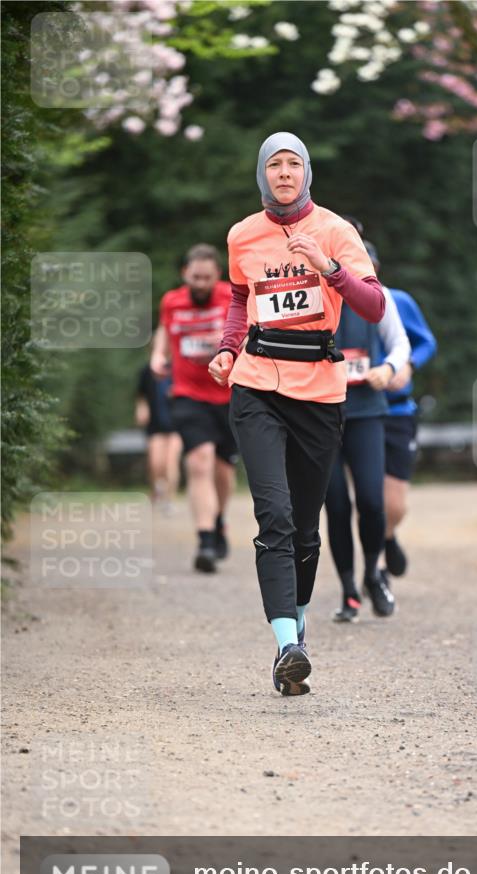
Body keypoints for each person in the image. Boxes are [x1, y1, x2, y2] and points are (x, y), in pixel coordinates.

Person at [208, 132, 385, 696]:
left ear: (307, 173)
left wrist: (329, 267)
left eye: (294, 164)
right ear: (262, 174)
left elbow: (374, 306)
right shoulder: (242, 234)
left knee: (306, 529)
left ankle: (298, 624)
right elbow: (241, 298)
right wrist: (228, 348)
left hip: (319, 392)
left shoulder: (336, 230)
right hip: (256, 384)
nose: (284, 173)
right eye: (274, 165)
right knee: (275, 516)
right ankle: (287, 644)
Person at [324, 239, 410, 622]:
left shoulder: (378, 297)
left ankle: (373, 572)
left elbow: (400, 344)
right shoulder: (315, 295)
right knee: (336, 505)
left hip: (367, 411)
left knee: (372, 502)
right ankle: (348, 592)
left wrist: (388, 369)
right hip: (321, 414)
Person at [151, 244, 237, 573]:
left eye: (207, 277)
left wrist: (228, 338)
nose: (200, 283)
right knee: (199, 462)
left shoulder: (231, 296)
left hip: (228, 394)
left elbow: (246, 330)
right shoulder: (172, 301)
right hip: (187, 393)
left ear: (218, 276)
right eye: (195, 277)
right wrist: (158, 356)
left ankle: (218, 521)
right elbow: (164, 330)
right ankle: (204, 541)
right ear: (184, 274)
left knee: (223, 471)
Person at [380, 278, 438, 580]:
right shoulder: (334, 301)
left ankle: (387, 536)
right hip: (355, 412)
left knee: (395, 504)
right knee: (363, 495)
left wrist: (409, 366)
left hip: (398, 411)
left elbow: (427, 341)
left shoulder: (397, 300)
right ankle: (374, 566)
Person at [135, 362, 182, 510]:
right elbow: (140, 394)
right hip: (155, 424)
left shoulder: (179, 368)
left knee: (170, 462)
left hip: (176, 423)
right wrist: (141, 408)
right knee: (156, 463)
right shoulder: (147, 371)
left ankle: (169, 499)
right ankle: (156, 490)